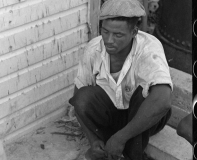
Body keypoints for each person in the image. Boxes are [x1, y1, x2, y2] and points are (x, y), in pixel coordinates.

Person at [69, 0, 173, 159]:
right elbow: (79, 101)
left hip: (143, 118)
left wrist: (120, 138)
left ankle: (133, 154)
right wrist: (93, 139)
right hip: (113, 116)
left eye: (118, 35)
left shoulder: (149, 48)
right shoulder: (93, 49)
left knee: (145, 95)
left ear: (134, 32)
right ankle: (109, 145)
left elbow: (163, 101)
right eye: (105, 32)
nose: (109, 40)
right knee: (83, 97)